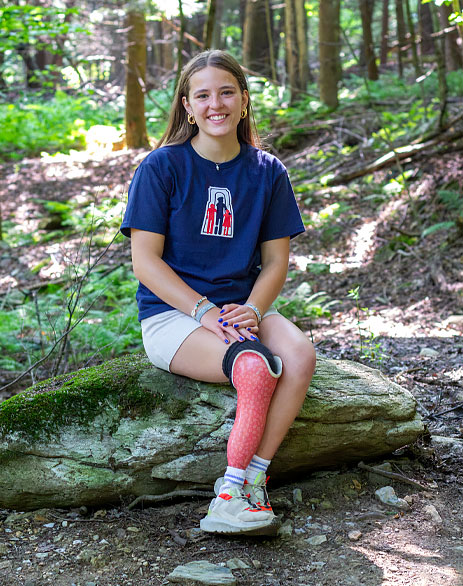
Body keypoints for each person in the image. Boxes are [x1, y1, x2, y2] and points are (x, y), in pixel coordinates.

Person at [120, 50, 316, 535]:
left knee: (299, 353)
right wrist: (205, 311)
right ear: (187, 105)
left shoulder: (268, 171)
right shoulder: (161, 168)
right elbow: (145, 262)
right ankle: (225, 498)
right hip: (173, 316)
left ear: (244, 101)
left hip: (238, 309)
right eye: (203, 95)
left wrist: (251, 308)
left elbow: (275, 262)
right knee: (253, 366)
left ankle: (252, 480)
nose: (216, 104)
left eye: (227, 92)